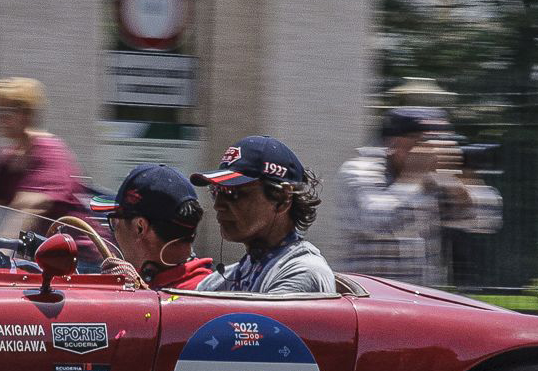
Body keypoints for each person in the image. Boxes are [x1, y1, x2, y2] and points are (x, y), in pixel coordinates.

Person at [339, 105, 501, 288]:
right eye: (423, 141)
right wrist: (412, 178)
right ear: (393, 143)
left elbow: (486, 220)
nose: (435, 150)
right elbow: (377, 224)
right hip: (371, 298)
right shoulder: (360, 171)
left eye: (442, 141)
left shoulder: (434, 179)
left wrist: (460, 184)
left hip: (420, 300)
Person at [190, 135, 337, 295]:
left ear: (283, 199)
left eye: (232, 192)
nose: (218, 205)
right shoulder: (227, 277)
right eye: (215, 191)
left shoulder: (302, 273)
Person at [0, 76, 92, 221]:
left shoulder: (50, 152)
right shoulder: (5, 157)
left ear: (25, 113)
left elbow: (28, 207)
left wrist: (1, 242)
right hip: (30, 242)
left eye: (5, 112)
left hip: (69, 241)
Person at [93, 164, 215, 290]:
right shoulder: (206, 285)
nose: (113, 232)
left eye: (115, 222)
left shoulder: (196, 294)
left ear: (140, 227)